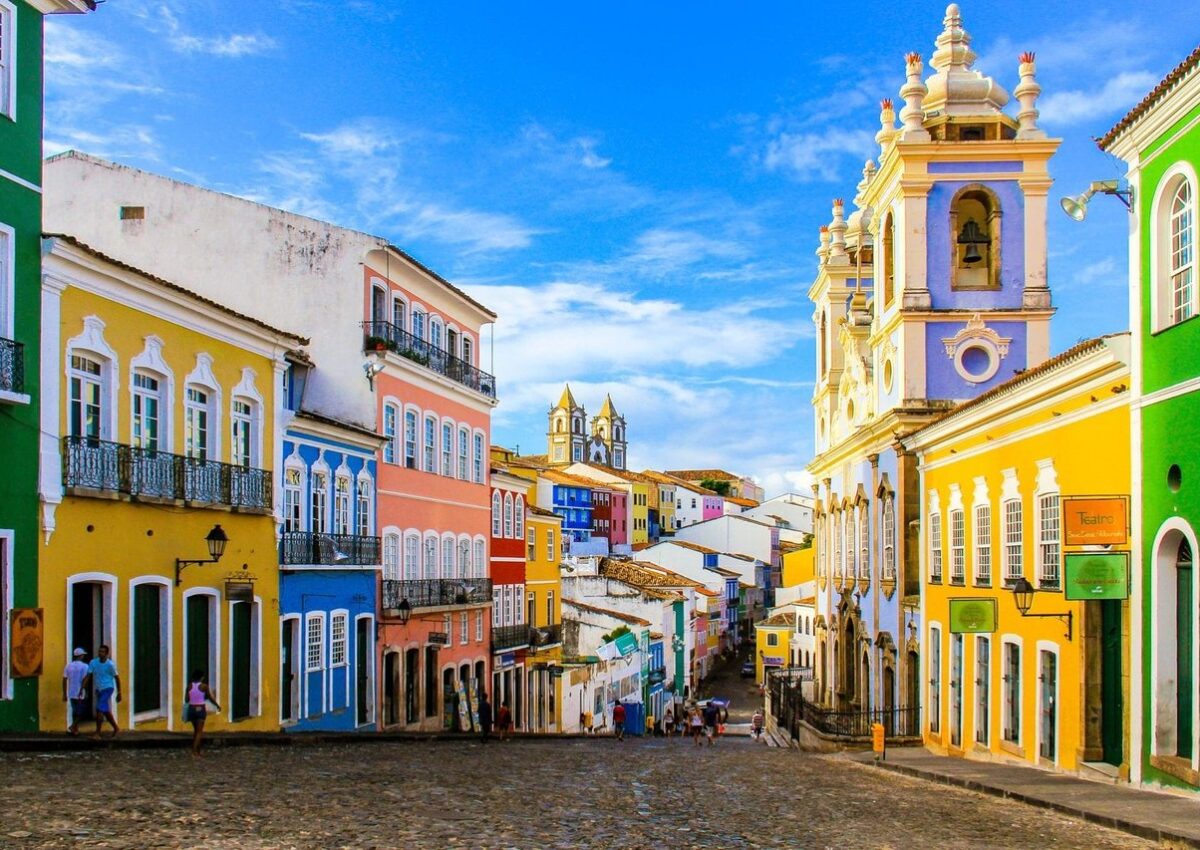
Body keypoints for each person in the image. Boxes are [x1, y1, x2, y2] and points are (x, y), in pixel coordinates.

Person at [83, 644, 121, 739]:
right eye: (100, 651)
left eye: (103, 652)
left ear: (107, 654)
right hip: (99, 689)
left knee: (99, 709)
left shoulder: (110, 665)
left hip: (108, 688)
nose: (100, 653)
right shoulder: (93, 662)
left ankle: (98, 732)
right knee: (105, 710)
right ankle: (116, 728)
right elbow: (88, 676)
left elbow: (117, 678)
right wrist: (82, 688)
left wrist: (119, 692)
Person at [184, 670, 221, 756]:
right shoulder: (204, 686)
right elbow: (210, 698)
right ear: (201, 677)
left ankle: (198, 751)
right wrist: (217, 705)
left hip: (191, 709)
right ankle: (194, 751)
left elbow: (186, 699)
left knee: (196, 731)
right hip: (200, 708)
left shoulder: (189, 686)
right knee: (199, 732)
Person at [62, 648, 89, 736]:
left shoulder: (68, 666)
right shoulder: (85, 666)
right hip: (80, 692)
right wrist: (84, 690)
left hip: (71, 692)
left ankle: (75, 729)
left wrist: (64, 693)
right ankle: (73, 726)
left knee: (75, 711)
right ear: (81, 656)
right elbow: (85, 680)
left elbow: (64, 679)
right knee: (82, 711)